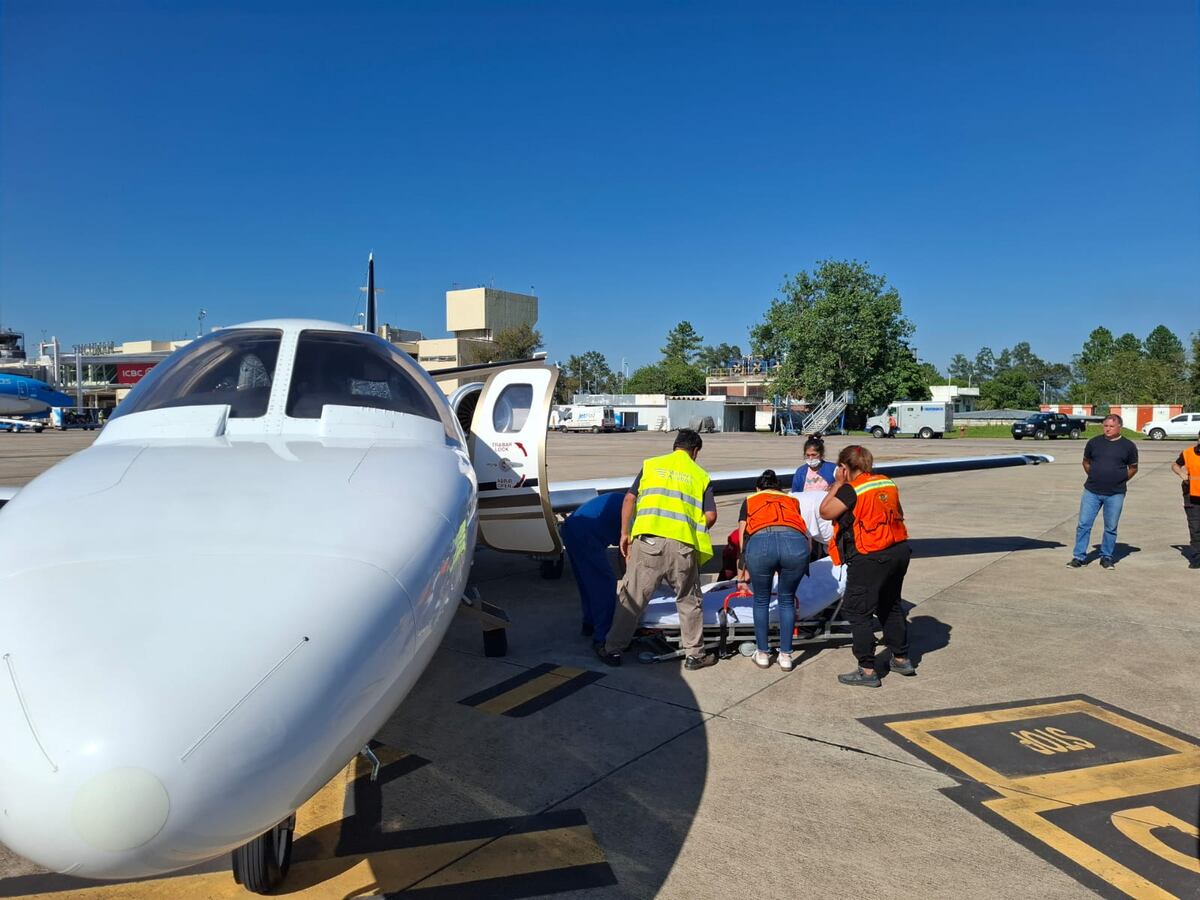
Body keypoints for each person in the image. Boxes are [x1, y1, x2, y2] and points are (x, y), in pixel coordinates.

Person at [598, 429, 719, 669]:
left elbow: (629, 500)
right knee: (688, 599)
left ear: (675, 446)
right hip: (682, 546)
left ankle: (613, 650)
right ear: (695, 451)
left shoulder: (651, 466)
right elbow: (711, 516)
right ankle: (694, 655)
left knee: (632, 597)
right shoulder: (700, 475)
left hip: (648, 543)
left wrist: (625, 533)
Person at [819, 444, 914, 688]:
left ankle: (867, 669)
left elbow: (826, 511)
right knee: (890, 605)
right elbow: (897, 512)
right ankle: (901, 658)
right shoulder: (886, 483)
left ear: (844, 467)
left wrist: (838, 484)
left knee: (857, 611)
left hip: (871, 554)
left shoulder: (852, 489)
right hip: (899, 550)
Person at [737, 470, 812, 671]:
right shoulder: (790, 500)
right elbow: (805, 532)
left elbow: (743, 534)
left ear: (758, 488)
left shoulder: (751, 499)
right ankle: (786, 656)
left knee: (761, 600)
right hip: (796, 544)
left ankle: (762, 653)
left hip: (761, 543)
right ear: (778, 488)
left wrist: (742, 570)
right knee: (787, 599)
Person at [1068, 414, 1138, 569]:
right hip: (1092, 491)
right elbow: (1086, 462)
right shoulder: (1094, 443)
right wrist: (1094, 475)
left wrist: (1120, 479)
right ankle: (1078, 557)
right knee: (1084, 524)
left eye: (1111, 426)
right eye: (1105, 426)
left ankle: (1106, 556)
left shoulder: (1128, 446)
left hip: (1115, 493)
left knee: (1111, 527)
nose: (1108, 429)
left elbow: (1133, 468)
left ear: (1119, 427)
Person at [560, 491, 625, 649]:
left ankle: (589, 623)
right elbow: (625, 552)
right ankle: (603, 637)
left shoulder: (624, 499)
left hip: (571, 528)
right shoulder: (635, 511)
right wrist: (629, 578)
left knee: (588, 581)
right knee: (605, 583)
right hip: (585, 534)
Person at [1170, 430, 1200, 569]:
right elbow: (1175, 465)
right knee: (1195, 528)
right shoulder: (1188, 453)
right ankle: (1197, 557)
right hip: (1191, 496)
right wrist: (1181, 473)